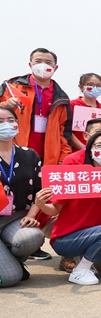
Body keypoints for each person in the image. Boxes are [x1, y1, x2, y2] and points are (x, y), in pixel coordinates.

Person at [34, 130, 101, 285]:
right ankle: (81, 270)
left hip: (97, 233)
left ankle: (85, 259)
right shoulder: (78, 177)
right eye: (99, 145)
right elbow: (55, 209)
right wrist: (41, 204)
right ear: (90, 149)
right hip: (67, 238)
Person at [0, 47, 72, 166]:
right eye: (38, 61)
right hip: (14, 151)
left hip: (48, 156)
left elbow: (64, 131)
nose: (43, 65)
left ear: (55, 68)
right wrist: (6, 105)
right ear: (30, 65)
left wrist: (63, 156)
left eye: (48, 62)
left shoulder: (61, 97)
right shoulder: (11, 86)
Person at [0, 105, 45, 287]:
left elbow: (39, 190)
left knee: (32, 237)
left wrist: (31, 215)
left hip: (15, 218)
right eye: (0, 121)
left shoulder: (29, 155)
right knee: (10, 278)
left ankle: (12, 260)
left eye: (11, 120)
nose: (6, 125)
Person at [69, 73, 101, 149]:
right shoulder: (73, 105)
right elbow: (67, 130)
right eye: (90, 85)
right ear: (81, 87)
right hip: (77, 151)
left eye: (98, 85)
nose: (95, 88)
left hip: (100, 152)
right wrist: (84, 148)